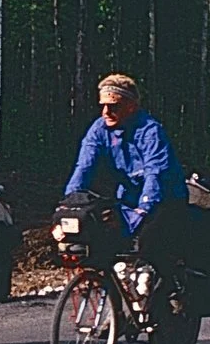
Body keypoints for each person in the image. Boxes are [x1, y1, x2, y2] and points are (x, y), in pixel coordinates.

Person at [63, 73, 191, 279]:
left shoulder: (150, 130)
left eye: (113, 106)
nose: (106, 111)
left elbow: (155, 172)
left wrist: (144, 209)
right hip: (128, 196)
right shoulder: (99, 129)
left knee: (149, 245)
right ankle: (110, 294)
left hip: (164, 198)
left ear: (131, 106)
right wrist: (70, 200)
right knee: (102, 240)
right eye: (103, 106)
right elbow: (84, 166)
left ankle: (156, 293)